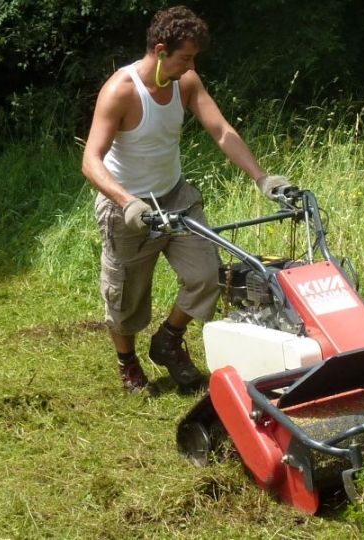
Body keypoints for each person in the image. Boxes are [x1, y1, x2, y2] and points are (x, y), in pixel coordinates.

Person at [82, 5, 289, 393]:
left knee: (206, 276)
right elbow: (91, 161)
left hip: (175, 196)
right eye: (185, 57)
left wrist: (262, 178)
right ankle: (128, 363)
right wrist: (128, 202)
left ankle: (168, 340)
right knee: (126, 298)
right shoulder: (121, 91)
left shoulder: (186, 83)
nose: (191, 65)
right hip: (127, 207)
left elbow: (222, 131)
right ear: (161, 51)